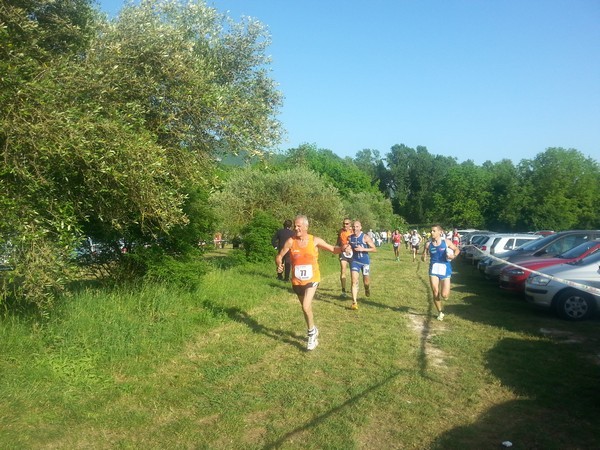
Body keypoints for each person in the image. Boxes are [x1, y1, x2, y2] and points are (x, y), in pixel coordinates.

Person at [275, 215, 348, 350]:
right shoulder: (291, 241)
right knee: (305, 308)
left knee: (305, 306)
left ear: (306, 227)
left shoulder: (314, 240)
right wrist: (279, 264)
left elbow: (332, 249)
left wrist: (343, 248)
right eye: (295, 226)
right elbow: (280, 255)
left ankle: (310, 336)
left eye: (298, 226)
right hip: (297, 281)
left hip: (312, 278)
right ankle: (313, 329)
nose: (296, 228)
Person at [421, 224, 461, 321]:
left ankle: (446, 294)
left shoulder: (446, 242)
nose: (432, 233)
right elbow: (424, 254)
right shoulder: (428, 244)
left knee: (444, 295)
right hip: (433, 269)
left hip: (445, 269)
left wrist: (453, 256)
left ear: (440, 232)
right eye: (431, 231)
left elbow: (457, 250)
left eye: (434, 231)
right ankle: (440, 312)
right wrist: (424, 256)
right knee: (435, 292)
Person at [348, 220, 377, 310]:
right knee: (354, 281)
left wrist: (363, 249)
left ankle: (367, 288)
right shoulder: (350, 238)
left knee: (366, 282)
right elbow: (348, 247)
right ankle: (354, 302)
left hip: (365, 263)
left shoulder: (365, 237)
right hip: (355, 261)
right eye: (353, 226)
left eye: (357, 226)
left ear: (360, 227)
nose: (355, 228)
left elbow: (374, 249)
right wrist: (347, 249)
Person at [336, 218, 353, 298]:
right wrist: (336, 248)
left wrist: (349, 247)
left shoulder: (353, 231)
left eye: (346, 224)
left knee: (353, 271)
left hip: (352, 253)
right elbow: (338, 241)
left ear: (350, 224)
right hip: (343, 252)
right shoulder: (340, 231)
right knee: (343, 270)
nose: (344, 225)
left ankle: (353, 287)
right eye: (343, 223)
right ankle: (343, 290)